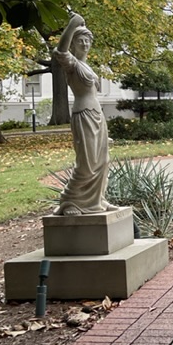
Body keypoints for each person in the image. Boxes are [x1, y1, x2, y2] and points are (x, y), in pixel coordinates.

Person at [52, 13, 115, 215]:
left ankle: (98, 201)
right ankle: (70, 202)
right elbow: (60, 51)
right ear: (74, 44)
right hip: (83, 115)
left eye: (87, 40)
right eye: (80, 40)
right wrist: (72, 25)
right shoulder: (72, 64)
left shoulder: (88, 66)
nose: (85, 43)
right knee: (86, 164)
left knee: (102, 162)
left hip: (97, 115)